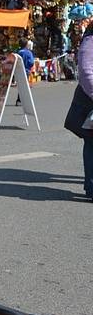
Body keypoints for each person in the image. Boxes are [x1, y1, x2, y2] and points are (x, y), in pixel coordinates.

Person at [64, 23, 93, 202]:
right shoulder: (90, 42)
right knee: (92, 144)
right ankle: (91, 187)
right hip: (89, 102)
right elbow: (86, 73)